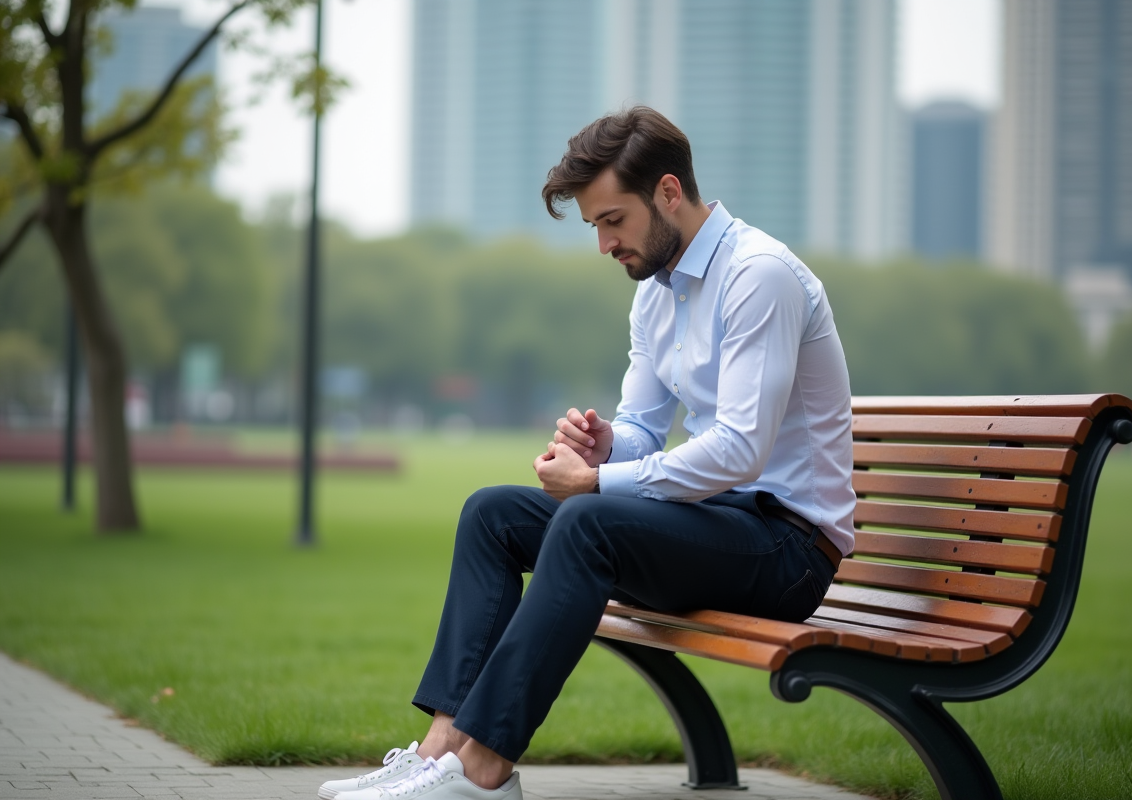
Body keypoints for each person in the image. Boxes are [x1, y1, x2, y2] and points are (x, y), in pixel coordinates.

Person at [318, 106, 855, 800]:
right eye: (596, 226)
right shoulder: (657, 295)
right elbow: (641, 428)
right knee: (492, 514)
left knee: (587, 519)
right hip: (717, 524)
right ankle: (439, 752)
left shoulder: (760, 277)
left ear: (668, 193)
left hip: (788, 550)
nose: (604, 244)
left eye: (612, 220)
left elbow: (740, 452)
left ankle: (483, 774)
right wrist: (607, 446)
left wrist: (598, 480)